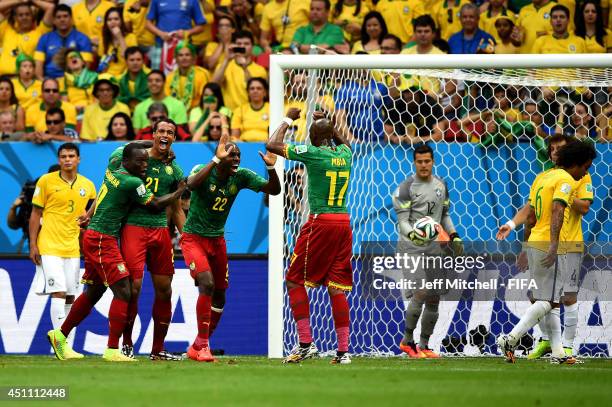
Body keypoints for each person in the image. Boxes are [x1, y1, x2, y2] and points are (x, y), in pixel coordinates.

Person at [47, 143, 186, 362]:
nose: (144, 165)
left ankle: (60, 335)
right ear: (126, 161)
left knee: (94, 293)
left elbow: (128, 152)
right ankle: (113, 349)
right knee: (124, 290)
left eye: (145, 161)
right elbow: (155, 204)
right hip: (103, 239)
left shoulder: (112, 171)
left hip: (96, 236)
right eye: (139, 161)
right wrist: (178, 191)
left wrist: (154, 145)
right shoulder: (131, 182)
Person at [180, 134, 280, 362]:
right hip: (194, 238)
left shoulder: (241, 176)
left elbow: (274, 191)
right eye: (231, 154)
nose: (236, 159)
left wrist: (271, 169)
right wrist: (214, 160)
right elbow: (191, 184)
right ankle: (204, 346)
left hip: (217, 240)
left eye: (238, 155)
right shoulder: (203, 169)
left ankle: (197, 344)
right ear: (220, 155)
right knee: (206, 283)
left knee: (220, 296)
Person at [265, 109, 353, 364]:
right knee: (336, 288)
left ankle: (305, 344)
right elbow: (341, 140)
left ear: (314, 138)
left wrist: (288, 119)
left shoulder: (313, 154)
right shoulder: (346, 153)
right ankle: (343, 352)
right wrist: (327, 123)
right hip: (344, 224)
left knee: (293, 280)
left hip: (321, 222)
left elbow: (272, 145)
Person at [497, 140, 596, 365]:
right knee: (550, 301)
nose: (586, 172)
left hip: (534, 241)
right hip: (552, 244)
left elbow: (531, 213)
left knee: (547, 299)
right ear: (576, 164)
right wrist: (553, 244)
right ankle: (511, 338)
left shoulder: (543, 178)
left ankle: (559, 352)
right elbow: (558, 209)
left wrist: (512, 225)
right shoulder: (565, 180)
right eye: (586, 167)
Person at [105, 119, 185, 360]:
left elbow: (178, 208)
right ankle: (126, 343)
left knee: (165, 290)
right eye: (161, 131)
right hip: (133, 229)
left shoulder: (174, 169)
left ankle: (157, 350)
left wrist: (188, 238)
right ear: (153, 134)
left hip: (160, 231)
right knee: (133, 288)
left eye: (170, 132)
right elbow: (122, 152)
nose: (165, 135)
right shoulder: (132, 158)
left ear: (174, 138)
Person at [391, 144, 463, 358]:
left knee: (433, 297)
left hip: (434, 249)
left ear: (433, 161)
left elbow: (445, 215)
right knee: (421, 291)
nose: (424, 165)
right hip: (410, 247)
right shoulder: (405, 188)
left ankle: (424, 345)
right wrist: (413, 234)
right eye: (420, 161)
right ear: (414, 163)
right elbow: (402, 221)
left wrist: (454, 235)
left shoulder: (441, 185)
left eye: (427, 161)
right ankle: (406, 341)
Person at [28, 143, 95, 355]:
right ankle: (60, 345)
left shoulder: (88, 186)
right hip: (49, 245)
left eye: (71, 156)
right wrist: (33, 244)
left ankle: (66, 346)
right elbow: (35, 214)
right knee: (58, 292)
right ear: (59, 160)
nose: (67, 159)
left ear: (79, 159)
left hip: (73, 247)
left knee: (71, 296)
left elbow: (90, 217)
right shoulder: (46, 182)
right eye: (64, 156)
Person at [212, 30, 268, 111]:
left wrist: (245, 68)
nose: (242, 46)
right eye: (239, 44)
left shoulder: (260, 70)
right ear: (233, 46)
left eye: (246, 44)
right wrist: (226, 60)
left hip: (251, 115)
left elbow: (255, 90)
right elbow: (214, 86)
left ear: (252, 47)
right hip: (230, 114)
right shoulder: (224, 66)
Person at [34, 4, 93, 80]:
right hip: (50, 82)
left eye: (65, 16)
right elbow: (38, 69)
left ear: (71, 19)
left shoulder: (83, 39)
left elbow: (86, 68)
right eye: (58, 17)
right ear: (54, 21)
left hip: (74, 81)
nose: (62, 19)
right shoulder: (44, 39)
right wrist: (45, 83)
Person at [145, 0, 206, 69]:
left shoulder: (193, 1)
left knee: (185, 76)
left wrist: (187, 33)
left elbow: (201, 26)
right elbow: (147, 24)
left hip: (184, 48)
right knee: (158, 76)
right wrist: (160, 34)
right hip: (161, 46)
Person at [0, 0, 54, 76]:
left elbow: (51, 8)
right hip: (4, 81)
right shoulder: (6, 31)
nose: (24, 17)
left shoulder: (41, 32)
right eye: (20, 15)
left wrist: (31, 1)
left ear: (32, 17)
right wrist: (19, 1)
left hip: (28, 80)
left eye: (27, 14)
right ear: (15, 18)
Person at [165, 41, 211, 112]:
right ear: (176, 59)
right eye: (180, 55)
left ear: (193, 58)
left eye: (187, 55)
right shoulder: (169, 77)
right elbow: (168, 99)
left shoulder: (202, 74)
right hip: (175, 113)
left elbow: (205, 98)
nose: (184, 58)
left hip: (197, 112)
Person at [80, 76, 130, 141]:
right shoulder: (89, 110)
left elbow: (128, 134)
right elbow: (85, 137)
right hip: (96, 148)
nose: (105, 93)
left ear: (113, 92)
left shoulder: (124, 108)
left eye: (108, 90)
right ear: (96, 93)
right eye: (101, 90)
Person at [98, 7, 138, 76]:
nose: (113, 22)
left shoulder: (131, 37)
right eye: (109, 20)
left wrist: (120, 37)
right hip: (108, 76)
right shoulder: (103, 40)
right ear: (106, 23)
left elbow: (131, 60)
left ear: (121, 21)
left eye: (116, 19)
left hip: (125, 76)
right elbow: (102, 65)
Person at [231, 77, 269, 142]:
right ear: (248, 92)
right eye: (252, 88)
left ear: (265, 92)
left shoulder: (272, 109)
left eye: (259, 88)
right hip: (244, 146)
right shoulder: (240, 110)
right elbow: (234, 136)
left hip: (268, 147)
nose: (255, 91)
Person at [118, 47, 151, 111]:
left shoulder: (151, 77)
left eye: (138, 60)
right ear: (126, 61)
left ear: (143, 61)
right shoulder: (119, 80)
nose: (135, 63)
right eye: (132, 60)